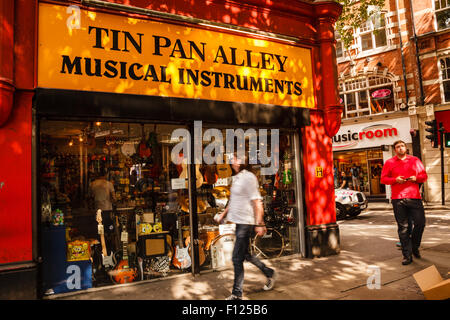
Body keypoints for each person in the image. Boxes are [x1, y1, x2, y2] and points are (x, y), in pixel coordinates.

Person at [215, 152, 276, 300]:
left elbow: (257, 202)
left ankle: (237, 294)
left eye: (236, 159)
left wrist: (259, 223)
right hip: (239, 223)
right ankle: (269, 272)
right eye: (233, 159)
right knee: (246, 255)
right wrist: (223, 215)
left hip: (246, 223)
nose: (233, 161)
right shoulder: (237, 178)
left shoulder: (249, 177)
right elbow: (233, 200)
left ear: (244, 161)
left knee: (236, 259)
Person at [380, 140, 428, 265]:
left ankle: (414, 247)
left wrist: (416, 178)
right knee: (403, 228)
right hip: (398, 198)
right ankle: (407, 255)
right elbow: (383, 179)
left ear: (406, 148)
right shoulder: (389, 162)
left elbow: (424, 176)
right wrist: (395, 180)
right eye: (397, 147)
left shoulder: (415, 160)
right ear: (395, 150)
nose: (400, 148)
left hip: (414, 197)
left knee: (420, 223)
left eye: (402, 146)